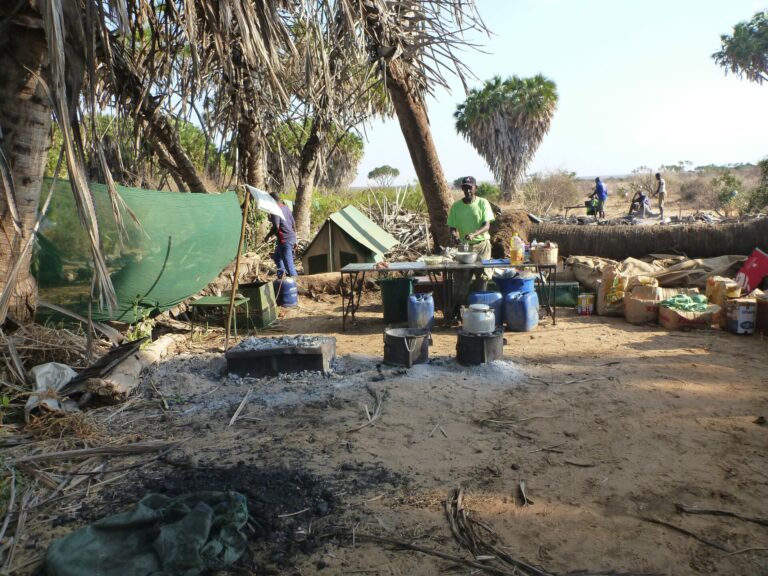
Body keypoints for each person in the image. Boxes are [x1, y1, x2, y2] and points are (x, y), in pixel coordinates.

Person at [447, 176, 495, 260]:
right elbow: (452, 227)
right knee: (463, 271)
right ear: (462, 188)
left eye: (470, 188)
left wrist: (474, 234)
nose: (468, 191)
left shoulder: (483, 203)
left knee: (484, 271)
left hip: (482, 245)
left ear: (475, 188)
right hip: (464, 246)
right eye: (465, 188)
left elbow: (486, 226)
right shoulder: (456, 206)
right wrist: (454, 236)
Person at [264, 192, 297, 278]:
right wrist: (295, 239)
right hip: (289, 238)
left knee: (289, 267)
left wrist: (268, 236)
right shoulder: (286, 208)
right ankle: (281, 277)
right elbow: (293, 224)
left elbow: (276, 226)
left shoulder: (275, 210)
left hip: (285, 240)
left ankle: (297, 285)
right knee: (277, 257)